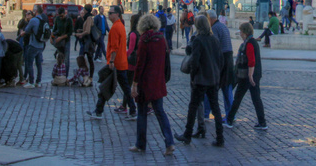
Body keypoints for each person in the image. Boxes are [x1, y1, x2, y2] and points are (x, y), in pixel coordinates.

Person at [129, 15, 176, 155]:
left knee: (142, 113)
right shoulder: (161, 38)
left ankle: (140, 144)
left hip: (145, 82)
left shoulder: (144, 39)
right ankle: (170, 142)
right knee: (160, 112)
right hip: (158, 80)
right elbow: (166, 60)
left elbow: (140, 64)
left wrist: (135, 83)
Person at [180, 15, 224, 147]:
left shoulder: (198, 40)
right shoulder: (214, 40)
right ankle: (220, 137)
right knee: (215, 108)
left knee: (193, 107)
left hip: (201, 79)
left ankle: (187, 134)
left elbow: (195, 61)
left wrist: (193, 76)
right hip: (213, 78)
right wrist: (217, 73)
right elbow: (220, 60)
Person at [91, 9, 133, 119]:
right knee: (125, 89)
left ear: (117, 14)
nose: (108, 15)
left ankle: (98, 111)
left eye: (111, 13)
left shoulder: (115, 28)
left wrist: (112, 61)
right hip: (121, 62)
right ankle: (132, 111)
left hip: (116, 64)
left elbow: (114, 47)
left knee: (106, 87)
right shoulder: (120, 26)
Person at [228, 23, 268, 130]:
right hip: (253, 75)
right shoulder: (252, 42)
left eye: (241, 32)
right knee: (256, 98)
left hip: (247, 76)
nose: (240, 34)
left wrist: (250, 75)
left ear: (245, 33)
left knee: (238, 97)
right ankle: (262, 122)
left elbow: (251, 61)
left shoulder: (249, 44)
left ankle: (229, 120)